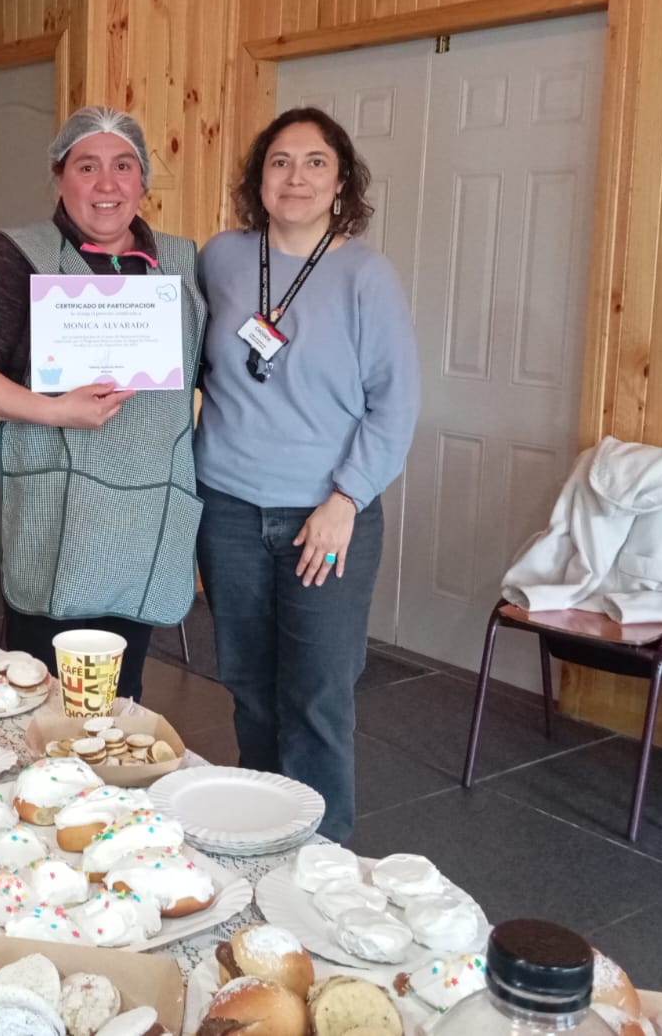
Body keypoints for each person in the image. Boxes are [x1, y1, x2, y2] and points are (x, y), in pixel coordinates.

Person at [194, 106, 419, 841]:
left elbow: (395, 405)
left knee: (317, 698)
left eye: (315, 161)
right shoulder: (222, 258)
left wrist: (346, 498)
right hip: (227, 509)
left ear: (341, 180)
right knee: (251, 690)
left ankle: (322, 864)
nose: (296, 177)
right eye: (279, 161)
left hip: (325, 519)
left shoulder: (366, 276)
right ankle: (262, 840)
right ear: (258, 179)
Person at [0, 106, 205, 701]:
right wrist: (55, 410)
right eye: (87, 166)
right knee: (39, 692)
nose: (107, 184)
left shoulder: (184, 265)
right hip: (53, 524)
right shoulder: (19, 255)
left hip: (142, 522)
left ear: (142, 181)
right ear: (59, 177)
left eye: (123, 166)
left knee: (119, 697)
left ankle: (109, 790)